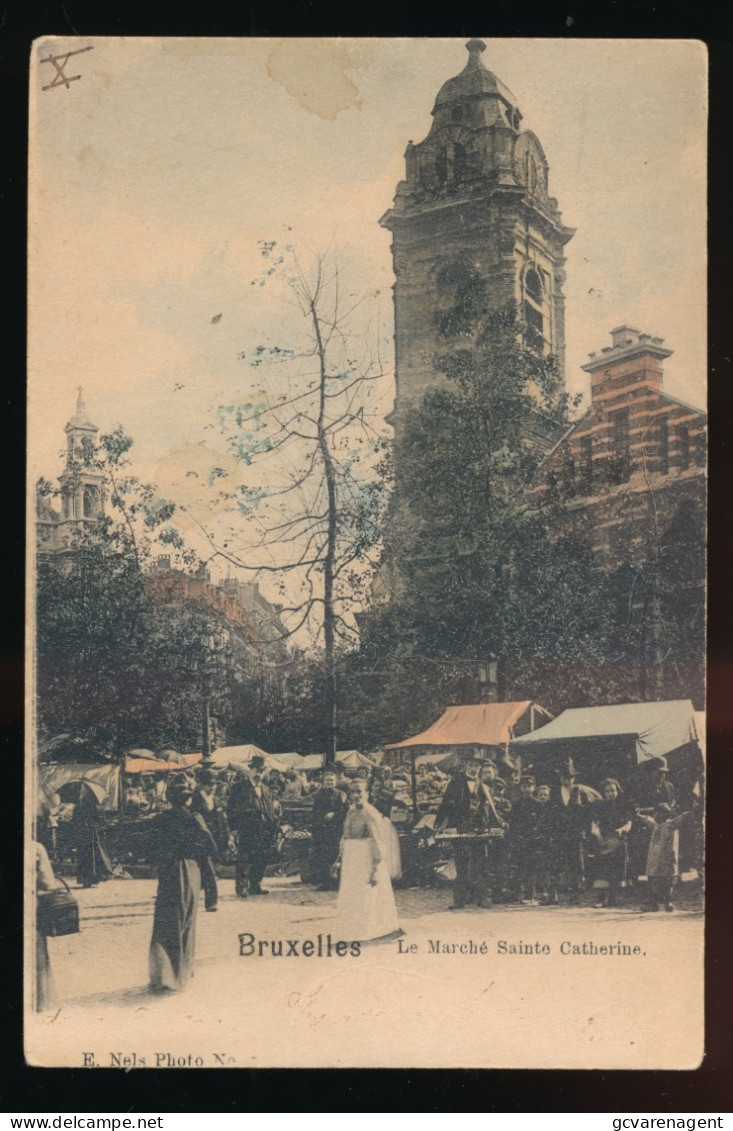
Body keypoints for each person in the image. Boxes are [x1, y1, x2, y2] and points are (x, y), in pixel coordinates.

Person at [148, 777, 218, 994]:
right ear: (188, 799)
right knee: (186, 921)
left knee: (165, 920)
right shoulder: (194, 819)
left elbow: (150, 848)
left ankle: (161, 975)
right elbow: (211, 847)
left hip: (167, 871)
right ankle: (181, 973)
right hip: (189, 870)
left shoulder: (160, 819)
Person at [435, 752, 506, 909]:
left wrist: (497, 822)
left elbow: (490, 808)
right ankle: (460, 900)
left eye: (477, 766)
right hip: (461, 827)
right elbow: (445, 804)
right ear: (466, 766)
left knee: (480, 863)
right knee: (461, 864)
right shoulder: (455, 783)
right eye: (472, 765)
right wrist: (439, 824)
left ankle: (482, 898)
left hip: (479, 828)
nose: (474, 768)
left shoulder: (483, 785)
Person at [333, 780, 401, 944]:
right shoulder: (350, 813)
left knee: (366, 896)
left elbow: (378, 842)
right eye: (352, 792)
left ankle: (371, 929)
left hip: (366, 860)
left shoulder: (370, 813)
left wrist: (375, 869)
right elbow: (345, 837)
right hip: (352, 859)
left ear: (367, 793)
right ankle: (352, 930)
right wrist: (338, 860)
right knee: (351, 895)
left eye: (359, 792)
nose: (356, 796)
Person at [542, 757, 600, 905]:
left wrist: (586, 831)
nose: (567, 781)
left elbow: (588, 812)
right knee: (555, 863)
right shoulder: (555, 793)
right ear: (560, 778)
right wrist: (550, 832)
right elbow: (549, 814)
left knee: (577, 865)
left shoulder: (579, 791)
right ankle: (553, 895)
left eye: (570, 777)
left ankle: (575, 896)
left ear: (574, 777)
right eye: (564, 777)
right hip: (558, 833)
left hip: (575, 833)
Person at [226, 756, 279, 898]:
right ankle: (242, 887)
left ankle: (255, 885)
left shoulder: (266, 789)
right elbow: (231, 809)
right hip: (247, 828)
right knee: (244, 858)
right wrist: (234, 828)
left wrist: (273, 824)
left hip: (264, 829)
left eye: (262, 771)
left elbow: (270, 808)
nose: (259, 774)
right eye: (256, 770)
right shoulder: (239, 788)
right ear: (250, 770)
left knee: (261, 858)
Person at [587, 778, 633, 908]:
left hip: (618, 840)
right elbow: (594, 823)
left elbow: (629, 822)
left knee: (615, 870)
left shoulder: (623, 805)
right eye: (607, 791)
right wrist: (599, 837)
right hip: (603, 841)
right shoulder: (598, 806)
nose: (610, 793)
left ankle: (613, 897)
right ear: (603, 793)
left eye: (613, 790)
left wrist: (622, 829)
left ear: (617, 790)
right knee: (602, 869)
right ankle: (600, 898)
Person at [34, 839, 61, 1012]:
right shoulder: (35, 849)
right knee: (37, 958)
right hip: (31, 911)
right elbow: (49, 884)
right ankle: (40, 1004)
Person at [310, 769, 348, 890]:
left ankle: (337, 882)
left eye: (332, 781)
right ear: (323, 782)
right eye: (327, 780)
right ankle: (326, 883)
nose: (329, 783)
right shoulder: (318, 795)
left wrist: (334, 815)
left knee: (335, 855)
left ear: (335, 782)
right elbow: (315, 812)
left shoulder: (340, 794)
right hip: (322, 830)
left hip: (335, 829)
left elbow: (345, 811)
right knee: (322, 856)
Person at [71, 780, 113, 888]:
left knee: (86, 857)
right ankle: (92, 878)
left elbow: (74, 822)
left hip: (84, 834)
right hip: (92, 834)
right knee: (92, 856)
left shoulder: (79, 807)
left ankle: (87, 879)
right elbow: (102, 822)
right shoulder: (96, 807)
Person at [507, 775, 542, 903]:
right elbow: (513, 822)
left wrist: (535, 835)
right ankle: (516, 894)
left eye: (530, 786)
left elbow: (540, 822)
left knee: (531, 867)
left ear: (534, 787)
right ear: (521, 788)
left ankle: (530, 894)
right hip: (519, 840)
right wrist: (515, 838)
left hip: (532, 840)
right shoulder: (517, 804)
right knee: (518, 867)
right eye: (525, 786)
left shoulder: (537, 804)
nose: (528, 789)